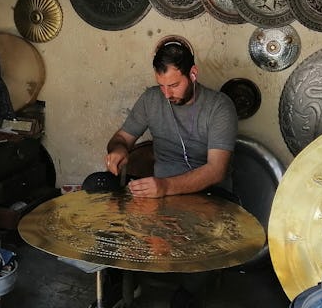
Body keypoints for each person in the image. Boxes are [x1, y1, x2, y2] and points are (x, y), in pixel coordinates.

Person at [101, 38, 238, 308]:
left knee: (197, 261)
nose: (167, 94)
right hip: (159, 191)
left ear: (193, 74)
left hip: (210, 193)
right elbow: (122, 137)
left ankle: (189, 292)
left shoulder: (220, 107)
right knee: (99, 188)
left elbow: (216, 170)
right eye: (162, 85)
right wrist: (118, 150)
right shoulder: (152, 99)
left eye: (174, 85)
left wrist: (165, 187)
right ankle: (119, 281)